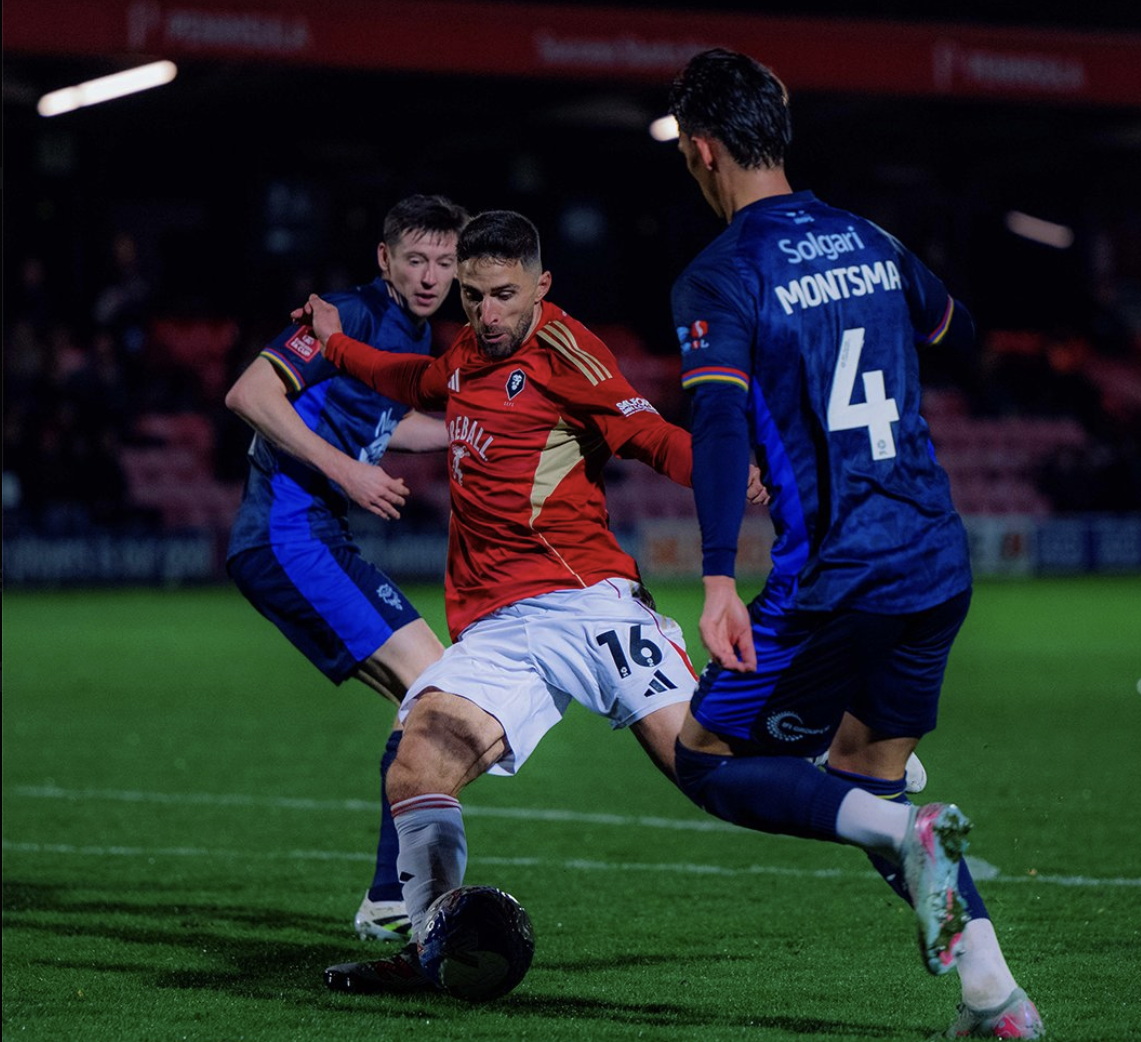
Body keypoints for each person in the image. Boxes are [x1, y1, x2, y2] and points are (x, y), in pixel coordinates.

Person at [667, 49, 1044, 1039]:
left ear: (701, 151)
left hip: (835, 576)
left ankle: (899, 829)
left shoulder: (722, 271)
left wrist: (714, 577)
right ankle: (993, 997)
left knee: (703, 757)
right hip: (931, 559)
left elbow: (714, 430)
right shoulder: (869, 240)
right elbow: (957, 331)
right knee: (867, 769)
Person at [299, 210, 716, 994]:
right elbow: (408, 379)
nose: (486, 314)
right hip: (498, 629)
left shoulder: (566, 351)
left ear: (540, 285)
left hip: (585, 603)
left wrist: (744, 479)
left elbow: (653, 438)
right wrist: (334, 344)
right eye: (472, 296)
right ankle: (428, 948)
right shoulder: (464, 348)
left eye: (503, 295)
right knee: (416, 760)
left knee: (705, 771)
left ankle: (828, 763)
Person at [224, 193, 470, 944]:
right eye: (416, 259)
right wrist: (350, 473)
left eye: (445, 261)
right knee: (446, 693)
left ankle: (393, 896)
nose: (430, 275)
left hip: (317, 536)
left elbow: (394, 424)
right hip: (288, 534)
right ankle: (395, 897)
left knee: (438, 702)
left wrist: (492, 429)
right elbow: (249, 393)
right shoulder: (347, 315)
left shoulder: (413, 334)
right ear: (385, 260)